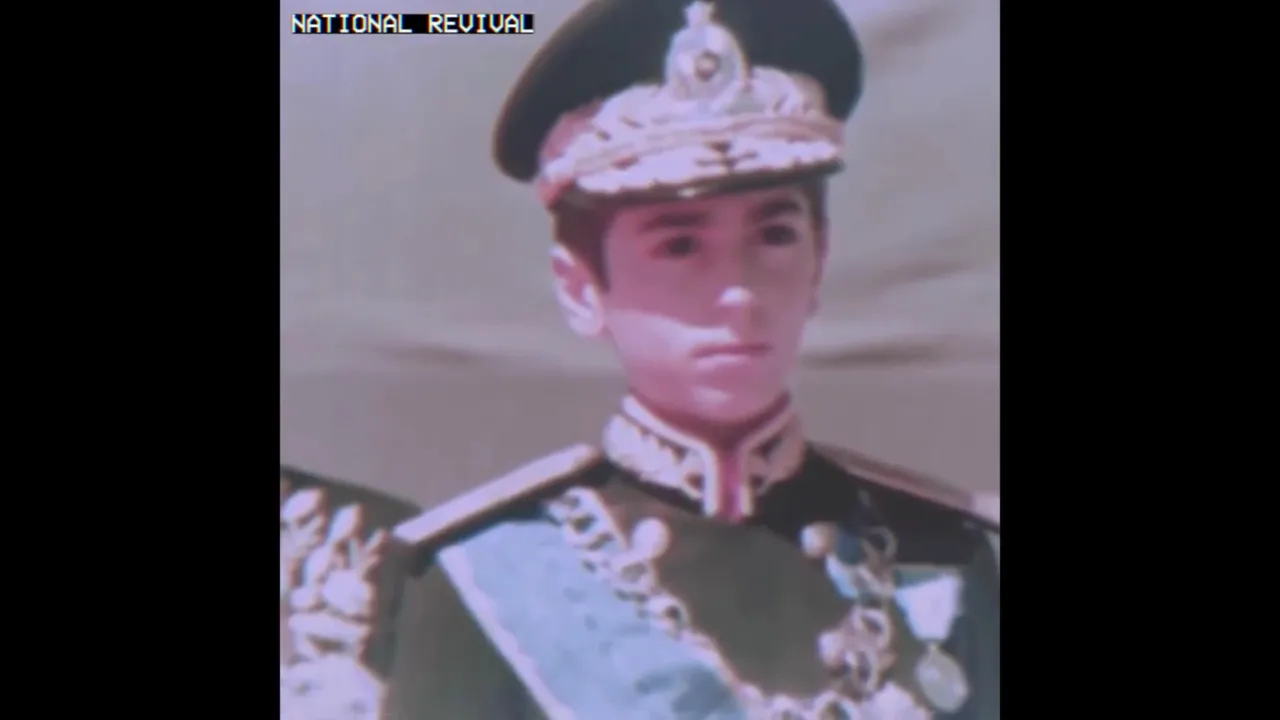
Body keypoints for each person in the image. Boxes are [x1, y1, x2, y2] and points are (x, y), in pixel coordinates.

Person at [387, 0, 1000, 718]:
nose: (738, 291)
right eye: (679, 245)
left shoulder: (944, 555)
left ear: (820, 259)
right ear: (581, 288)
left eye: (775, 235)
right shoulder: (491, 579)